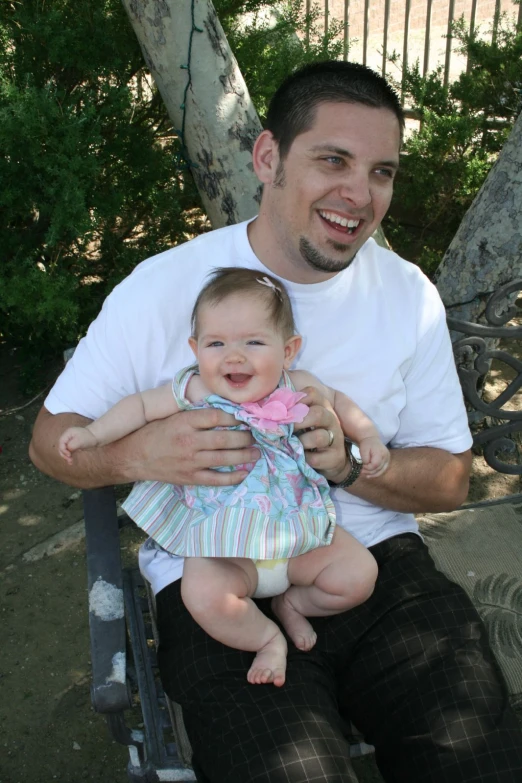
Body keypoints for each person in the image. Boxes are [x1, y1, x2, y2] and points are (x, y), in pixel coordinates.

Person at [29, 60, 522, 782]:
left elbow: (449, 479)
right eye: (333, 159)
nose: (359, 194)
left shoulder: (404, 293)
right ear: (268, 158)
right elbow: (51, 441)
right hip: (217, 576)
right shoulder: (164, 288)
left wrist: (349, 464)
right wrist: (141, 452)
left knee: (481, 761)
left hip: (367, 565)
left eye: (382, 171)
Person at [57, 267, 389, 687]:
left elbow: (342, 403)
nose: (234, 356)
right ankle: (267, 638)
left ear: (288, 350)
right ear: (196, 349)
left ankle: (294, 603)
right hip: (223, 543)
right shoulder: (194, 390)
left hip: (301, 534)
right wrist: (92, 433)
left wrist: (368, 436)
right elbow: (139, 408)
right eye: (217, 343)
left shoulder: (297, 385)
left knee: (359, 576)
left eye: (253, 341)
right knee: (202, 595)